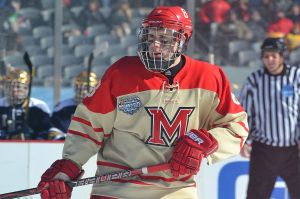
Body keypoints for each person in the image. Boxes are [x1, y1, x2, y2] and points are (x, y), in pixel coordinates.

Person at [37, 6, 249, 199]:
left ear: (182, 40)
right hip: (116, 188)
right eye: (151, 38)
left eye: (164, 40)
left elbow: (237, 126)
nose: (155, 46)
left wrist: (207, 142)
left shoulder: (209, 78)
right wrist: (69, 165)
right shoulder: (122, 73)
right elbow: (89, 125)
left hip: (176, 191)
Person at [239, 37, 300, 199]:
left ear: (282, 56)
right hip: (264, 150)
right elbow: (244, 112)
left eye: (274, 55)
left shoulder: (296, 77)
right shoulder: (254, 80)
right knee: (256, 195)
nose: (270, 60)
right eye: (266, 56)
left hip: (294, 151)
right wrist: (244, 140)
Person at [0, 68, 56, 140]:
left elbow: (45, 130)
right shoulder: (1, 104)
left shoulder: (39, 106)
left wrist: (32, 140)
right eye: (10, 86)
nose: (14, 90)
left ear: (26, 88)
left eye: (18, 87)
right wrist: (8, 137)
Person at [51, 71, 98, 138]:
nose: (83, 92)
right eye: (79, 87)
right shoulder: (61, 108)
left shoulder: (104, 109)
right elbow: (55, 132)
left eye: (85, 88)